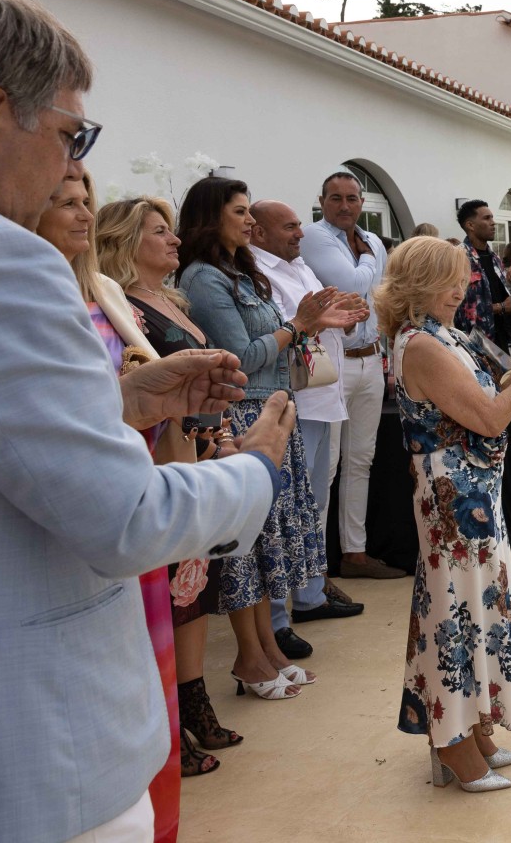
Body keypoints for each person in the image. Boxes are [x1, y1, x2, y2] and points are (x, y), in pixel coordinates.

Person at [0, 0, 292, 843]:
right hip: (16, 752)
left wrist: (121, 401)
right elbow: (124, 518)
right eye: (70, 136)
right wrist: (255, 470)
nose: (71, 168)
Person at [378, 237, 511, 794]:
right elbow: (491, 418)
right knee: (457, 608)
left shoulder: (444, 334)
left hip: (473, 492)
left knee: (479, 604)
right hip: (452, 499)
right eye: (447, 279)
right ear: (417, 284)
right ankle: (450, 741)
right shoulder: (422, 344)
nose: (460, 287)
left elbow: (487, 398)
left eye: (462, 276)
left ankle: (473, 729)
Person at [37, 170, 183, 832]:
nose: (81, 214)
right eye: (64, 202)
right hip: (82, 513)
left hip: (141, 485)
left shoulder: (102, 290)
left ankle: (161, 817)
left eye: (86, 203)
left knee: (151, 674)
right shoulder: (28, 293)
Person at [180, 177, 364, 698]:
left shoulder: (239, 271)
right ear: (212, 218)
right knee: (247, 543)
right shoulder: (203, 278)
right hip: (242, 417)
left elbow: (275, 340)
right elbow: (241, 355)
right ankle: (250, 656)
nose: (248, 221)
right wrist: (297, 325)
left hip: (271, 409)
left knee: (269, 541)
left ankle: (267, 648)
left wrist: (308, 325)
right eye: (240, 212)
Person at [99, 194, 250, 777]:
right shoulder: (121, 309)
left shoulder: (170, 301)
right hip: (167, 457)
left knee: (195, 590)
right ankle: (171, 719)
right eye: (159, 231)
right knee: (171, 595)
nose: (175, 240)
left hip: (200, 451)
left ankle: (194, 702)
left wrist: (222, 435)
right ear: (124, 240)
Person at [248, 201, 366, 659]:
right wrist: (320, 318)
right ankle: (278, 616)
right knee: (285, 511)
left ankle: (311, 595)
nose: (300, 233)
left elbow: (321, 317)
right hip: (293, 400)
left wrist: (344, 315)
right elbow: (286, 327)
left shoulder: (299, 266)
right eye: (290, 226)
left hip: (323, 395)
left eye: (299, 225)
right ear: (259, 232)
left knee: (315, 501)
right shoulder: (259, 271)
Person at [299, 171, 401, 579]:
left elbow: (381, 299)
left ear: (361, 201)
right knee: (326, 467)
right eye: (336, 198)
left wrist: (388, 359)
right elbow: (354, 285)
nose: (345, 206)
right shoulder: (315, 237)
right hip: (333, 363)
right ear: (322, 201)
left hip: (371, 359)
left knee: (362, 459)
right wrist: (369, 259)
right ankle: (315, 571)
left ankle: (354, 553)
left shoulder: (371, 240)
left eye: (352, 198)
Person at [455, 199, 511, 544]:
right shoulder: (461, 258)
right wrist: (503, 307)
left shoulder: (494, 258)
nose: (493, 222)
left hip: (502, 350)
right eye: (486, 218)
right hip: (476, 354)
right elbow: (463, 308)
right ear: (469, 225)